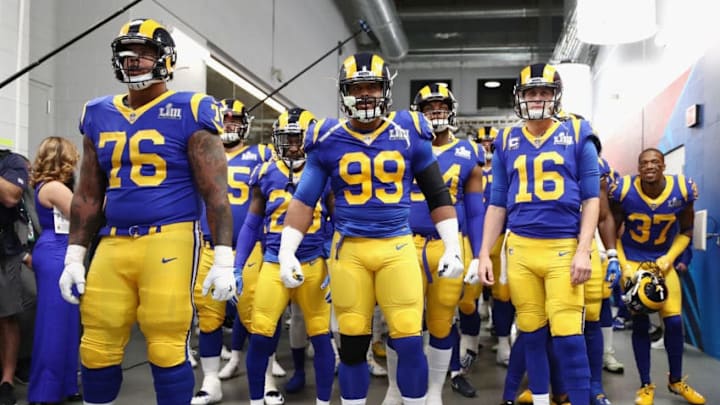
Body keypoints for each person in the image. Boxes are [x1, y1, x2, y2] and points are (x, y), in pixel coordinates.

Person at [58, 18, 236, 405]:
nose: (134, 60)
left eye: (144, 53)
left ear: (166, 59)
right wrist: (75, 254)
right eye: (126, 53)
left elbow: (216, 192)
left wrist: (224, 256)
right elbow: (88, 193)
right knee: (96, 342)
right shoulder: (98, 112)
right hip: (113, 242)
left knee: (165, 339)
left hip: (169, 237)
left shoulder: (191, 107)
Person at [278, 52, 464, 405]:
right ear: (344, 92)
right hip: (350, 250)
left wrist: (452, 245)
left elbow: (437, 193)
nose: (365, 95)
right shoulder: (327, 136)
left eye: (372, 87)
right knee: (351, 345)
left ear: (386, 91)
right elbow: (305, 200)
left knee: (409, 340)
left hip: (397, 246)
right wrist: (288, 250)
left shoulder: (409, 130)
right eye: (357, 87)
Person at [466, 63, 599, 405]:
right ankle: (540, 400)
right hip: (520, 249)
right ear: (520, 97)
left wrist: (584, 249)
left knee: (569, 336)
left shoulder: (579, 132)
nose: (537, 98)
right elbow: (497, 205)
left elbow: (591, 199)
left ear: (556, 97)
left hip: (562, 246)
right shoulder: (507, 138)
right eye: (531, 92)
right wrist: (483, 253)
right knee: (532, 332)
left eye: (544, 92)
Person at [383, 82, 483, 404]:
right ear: (418, 113)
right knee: (400, 322)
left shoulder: (469, 152)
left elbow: (476, 211)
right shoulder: (401, 144)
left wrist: (479, 255)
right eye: (428, 108)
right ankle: (395, 389)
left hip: (447, 244)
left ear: (451, 111)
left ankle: (434, 392)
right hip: (403, 243)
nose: (435, 113)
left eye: (441, 107)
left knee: (441, 321)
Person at [235, 107, 335, 405]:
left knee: (321, 335)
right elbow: (251, 224)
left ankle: (323, 401)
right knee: (261, 332)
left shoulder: (324, 173)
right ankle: (255, 400)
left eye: (299, 139)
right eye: (287, 139)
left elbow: (337, 221)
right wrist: (237, 266)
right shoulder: (266, 172)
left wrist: (335, 263)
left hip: (314, 262)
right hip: (274, 261)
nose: (293, 145)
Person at [191, 98, 272, 404]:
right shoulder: (200, 155)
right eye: (223, 119)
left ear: (245, 125)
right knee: (209, 315)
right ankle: (211, 380)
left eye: (234, 120)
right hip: (210, 245)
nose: (228, 125)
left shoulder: (262, 154)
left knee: (256, 313)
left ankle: (262, 376)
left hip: (248, 248)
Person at [610, 148, 705, 405]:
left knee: (674, 323)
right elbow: (612, 230)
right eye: (644, 163)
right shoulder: (624, 189)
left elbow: (686, 230)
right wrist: (623, 264)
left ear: (663, 165)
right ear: (638, 167)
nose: (649, 166)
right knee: (640, 322)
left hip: (663, 262)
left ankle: (675, 381)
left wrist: (669, 258)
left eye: (655, 162)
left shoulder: (681, 190)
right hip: (632, 261)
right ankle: (645, 385)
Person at [26, 137, 81, 404]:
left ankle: (65, 384)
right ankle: (45, 391)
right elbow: (82, 214)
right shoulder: (55, 187)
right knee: (54, 324)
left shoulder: (51, 186)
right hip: (56, 252)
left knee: (68, 323)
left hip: (59, 249)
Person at [0, 148, 30, 405]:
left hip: (4, 251)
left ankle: (7, 380)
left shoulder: (11, 161)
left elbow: (11, 197)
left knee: (7, 315)